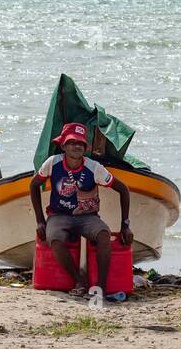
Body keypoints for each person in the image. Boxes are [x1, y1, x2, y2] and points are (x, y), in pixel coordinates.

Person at [30, 122, 133, 297]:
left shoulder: (94, 168)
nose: (77, 146)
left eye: (80, 143)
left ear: (86, 147)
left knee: (103, 234)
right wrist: (40, 220)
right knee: (54, 238)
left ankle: (100, 286)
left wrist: (125, 224)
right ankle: (79, 281)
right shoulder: (52, 163)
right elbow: (33, 186)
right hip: (58, 215)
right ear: (63, 145)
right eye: (72, 142)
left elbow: (123, 189)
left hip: (87, 217)